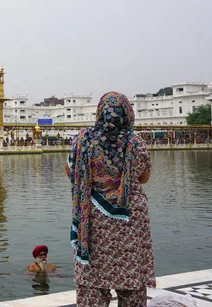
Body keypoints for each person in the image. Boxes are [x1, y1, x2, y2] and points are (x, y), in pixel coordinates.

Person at [65, 92, 155, 306]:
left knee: (92, 282)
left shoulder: (83, 139)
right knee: (130, 277)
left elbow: (70, 172)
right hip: (129, 217)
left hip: (93, 218)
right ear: (127, 113)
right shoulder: (136, 142)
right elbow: (144, 178)